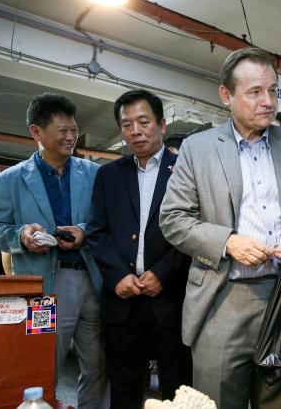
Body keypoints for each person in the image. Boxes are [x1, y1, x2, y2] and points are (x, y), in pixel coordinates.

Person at [159, 47, 281, 409]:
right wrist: (227, 242)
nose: (268, 102)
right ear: (226, 95)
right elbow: (173, 218)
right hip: (223, 299)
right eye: (255, 92)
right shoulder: (198, 148)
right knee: (218, 401)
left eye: (273, 91)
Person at [0, 93, 108, 408]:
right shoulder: (11, 180)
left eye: (74, 130)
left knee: (99, 365)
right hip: (45, 285)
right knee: (42, 360)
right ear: (37, 132)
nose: (71, 137)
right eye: (62, 130)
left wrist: (84, 233)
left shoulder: (92, 173)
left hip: (93, 280)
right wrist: (21, 235)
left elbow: (107, 221)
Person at [87, 89, 192, 408]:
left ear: (161, 125)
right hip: (123, 299)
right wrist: (117, 276)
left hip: (170, 299)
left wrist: (163, 272)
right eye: (127, 123)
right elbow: (96, 232)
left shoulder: (185, 169)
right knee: (124, 387)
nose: (135, 130)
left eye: (143, 121)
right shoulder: (108, 175)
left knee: (177, 387)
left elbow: (194, 230)